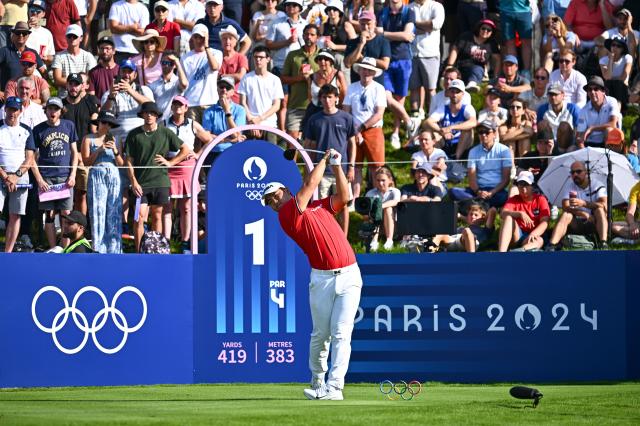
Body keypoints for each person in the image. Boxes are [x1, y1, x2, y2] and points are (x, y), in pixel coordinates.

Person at [260, 148, 362, 401]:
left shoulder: (319, 206)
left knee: (341, 333)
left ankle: (335, 387)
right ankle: (318, 381)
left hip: (350, 275)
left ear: (284, 190)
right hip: (322, 279)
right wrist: (325, 159)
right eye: (269, 201)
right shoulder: (287, 215)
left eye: (274, 196)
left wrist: (337, 166)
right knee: (321, 335)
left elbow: (345, 196)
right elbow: (310, 182)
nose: (273, 202)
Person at [124, 101, 190, 252]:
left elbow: (185, 149)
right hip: (140, 183)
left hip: (160, 181)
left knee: (157, 215)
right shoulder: (134, 134)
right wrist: (133, 182)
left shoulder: (165, 132)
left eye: (152, 113)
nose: (149, 116)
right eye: (146, 113)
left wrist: (171, 163)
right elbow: (128, 161)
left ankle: (156, 251)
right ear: (142, 115)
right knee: (138, 217)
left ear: (157, 116)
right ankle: (140, 252)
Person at [303, 84, 355, 235]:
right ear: (320, 99)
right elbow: (309, 146)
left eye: (330, 97)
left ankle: (343, 237)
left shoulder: (346, 118)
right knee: (321, 207)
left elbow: (352, 143)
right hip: (322, 172)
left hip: (342, 171)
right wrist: (308, 170)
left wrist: (351, 167)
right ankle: (324, 235)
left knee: (343, 204)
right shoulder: (314, 119)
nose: (327, 100)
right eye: (324, 97)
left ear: (337, 99)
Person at [163, 95, 212, 252]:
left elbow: (209, 140)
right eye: (175, 104)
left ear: (186, 108)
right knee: (167, 207)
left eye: (181, 104)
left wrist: (198, 154)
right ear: (171, 107)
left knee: (186, 207)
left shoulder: (192, 124)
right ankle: (166, 244)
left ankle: (185, 243)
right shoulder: (163, 124)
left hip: (187, 167)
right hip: (168, 166)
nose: (178, 107)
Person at [31, 96, 78, 249]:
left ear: (61, 111)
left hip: (65, 177)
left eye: (56, 109)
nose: (53, 111)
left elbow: (75, 153)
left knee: (66, 214)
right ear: (46, 110)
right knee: (49, 215)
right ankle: (53, 248)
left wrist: (73, 175)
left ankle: (65, 249)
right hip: (47, 178)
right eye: (50, 108)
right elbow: (32, 158)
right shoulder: (38, 129)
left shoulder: (69, 126)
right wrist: (39, 180)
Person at [342, 57, 386, 199]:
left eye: (369, 70)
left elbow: (379, 113)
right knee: (356, 166)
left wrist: (360, 128)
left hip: (373, 130)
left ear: (374, 73)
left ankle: (377, 196)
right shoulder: (352, 87)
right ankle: (355, 198)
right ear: (359, 70)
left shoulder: (379, 88)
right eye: (364, 69)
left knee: (376, 166)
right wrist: (354, 130)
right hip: (354, 130)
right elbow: (346, 111)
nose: (366, 72)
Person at [81, 110, 123, 253]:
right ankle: (98, 248)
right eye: (104, 122)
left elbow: (121, 164)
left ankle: (114, 249)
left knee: (114, 211)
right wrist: (99, 150)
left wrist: (116, 151)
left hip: (113, 176)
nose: (106, 126)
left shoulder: (116, 139)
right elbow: (86, 162)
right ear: (98, 123)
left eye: (109, 124)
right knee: (97, 211)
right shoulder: (88, 138)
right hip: (97, 174)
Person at [545, 160, 609, 251]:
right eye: (572, 172)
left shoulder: (597, 185)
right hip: (577, 223)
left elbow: (603, 204)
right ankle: (552, 244)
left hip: (594, 222)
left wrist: (584, 203)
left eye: (578, 171)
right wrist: (583, 213)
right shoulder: (570, 186)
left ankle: (603, 242)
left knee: (599, 210)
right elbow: (565, 206)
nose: (575, 175)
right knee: (566, 214)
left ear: (586, 172)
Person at [0, 96, 35, 253]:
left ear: (20, 111)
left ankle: (8, 252)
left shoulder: (27, 130)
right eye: (10, 109)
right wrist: (5, 176)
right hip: (2, 177)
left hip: (20, 178)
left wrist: (15, 176)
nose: (12, 112)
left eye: (15, 110)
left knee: (15, 215)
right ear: (5, 109)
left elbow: (29, 158)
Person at [450, 120, 512, 208]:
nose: (483, 135)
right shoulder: (473, 151)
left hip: (497, 190)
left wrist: (492, 192)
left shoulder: (504, 150)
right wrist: (478, 191)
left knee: (504, 197)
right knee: (453, 191)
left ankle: (476, 204)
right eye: (480, 132)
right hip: (478, 190)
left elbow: (506, 180)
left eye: (487, 132)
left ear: (494, 133)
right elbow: (471, 178)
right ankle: (483, 205)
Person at [62, 72, 99, 215]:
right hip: (64, 156)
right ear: (66, 85)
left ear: (82, 86)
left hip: (84, 155)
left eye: (76, 84)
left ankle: (80, 229)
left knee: (81, 194)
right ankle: (65, 230)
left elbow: (94, 131)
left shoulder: (90, 105)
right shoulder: (61, 106)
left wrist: (85, 153)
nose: (73, 87)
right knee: (65, 194)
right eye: (70, 84)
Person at [281, 23, 319, 141]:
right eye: (306, 34)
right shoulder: (293, 55)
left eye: (312, 34)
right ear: (302, 36)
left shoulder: (323, 56)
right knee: (292, 142)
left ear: (317, 37)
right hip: (296, 104)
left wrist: (311, 78)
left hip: (316, 105)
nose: (309, 37)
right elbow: (283, 78)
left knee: (314, 142)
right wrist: (300, 78)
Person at [237, 45, 284, 142]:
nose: (258, 60)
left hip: (269, 125)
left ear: (268, 59)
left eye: (261, 57)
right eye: (255, 57)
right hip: (250, 126)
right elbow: (242, 102)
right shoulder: (246, 78)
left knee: (270, 156)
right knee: (249, 156)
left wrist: (259, 119)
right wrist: (252, 121)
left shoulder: (275, 80)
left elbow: (276, 105)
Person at [424, 79, 477, 160]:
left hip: (462, 142)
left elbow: (473, 122)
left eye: (457, 92)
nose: (454, 94)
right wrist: (441, 131)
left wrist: (451, 127)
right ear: (448, 93)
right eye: (452, 91)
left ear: (463, 94)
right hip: (445, 141)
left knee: (468, 130)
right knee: (431, 131)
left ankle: (456, 158)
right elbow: (428, 122)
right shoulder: (443, 108)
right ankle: (439, 158)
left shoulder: (467, 108)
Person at [498, 170, 551, 252]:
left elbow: (544, 222)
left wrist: (533, 234)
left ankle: (519, 251)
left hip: (533, 236)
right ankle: (501, 253)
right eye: (520, 184)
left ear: (532, 186)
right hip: (517, 235)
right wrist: (519, 213)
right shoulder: (514, 199)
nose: (523, 188)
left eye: (526, 184)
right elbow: (503, 213)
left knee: (539, 240)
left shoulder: (540, 199)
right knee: (508, 218)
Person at [408, 0, 445, 118]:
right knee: (414, 88)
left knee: (430, 89)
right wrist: (425, 26)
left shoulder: (436, 6)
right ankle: (415, 119)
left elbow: (435, 25)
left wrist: (415, 24)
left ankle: (432, 117)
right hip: (412, 53)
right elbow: (406, 28)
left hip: (430, 53)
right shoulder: (409, 8)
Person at [180, 23, 221, 123]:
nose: (198, 40)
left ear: (206, 37)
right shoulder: (185, 57)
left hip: (210, 101)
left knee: (210, 135)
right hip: (191, 103)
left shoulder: (216, 53)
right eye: (196, 37)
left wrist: (207, 47)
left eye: (201, 37)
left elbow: (214, 67)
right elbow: (182, 82)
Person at [446, 19, 500, 92]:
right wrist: (449, 65)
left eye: (489, 30)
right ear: (479, 28)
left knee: (477, 69)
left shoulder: (492, 44)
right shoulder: (466, 37)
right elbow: (455, 49)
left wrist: (495, 76)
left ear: (492, 33)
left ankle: (472, 85)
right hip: (460, 66)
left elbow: (497, 59)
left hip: (477, 69)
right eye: (483, 28)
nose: (485, 31)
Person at [201, 76, 245, 156]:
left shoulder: (240, 110)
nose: (224, 90)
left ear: (232, 91)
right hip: (213, 152)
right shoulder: (208, 111)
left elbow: (236, 135)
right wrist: (229, 140)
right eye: (221, 86)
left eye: (227, 88)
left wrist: (227, 111)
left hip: (234, 152)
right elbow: (207, 137)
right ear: (217, 89)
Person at [51, 24, 97, 98]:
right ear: (66, 38)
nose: (72, 38)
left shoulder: (88, 56)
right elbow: (57, 80)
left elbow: (91, 79)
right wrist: (79, 82)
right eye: (69, 36)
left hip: (83, 97)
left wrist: (70, 82)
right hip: (64, 97)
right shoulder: (59, 56)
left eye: (75, 36)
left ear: (81, 38)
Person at [432, 200, 496, 253]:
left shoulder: (484, 229)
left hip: (471, 242)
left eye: (476, 215)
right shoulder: (461, 228)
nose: (473, 216)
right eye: (471, 214)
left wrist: (482, 220)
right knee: (439, 235)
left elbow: (493, 210)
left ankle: (471, 259)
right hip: (454, 240)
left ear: (482, 218)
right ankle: (429, 256)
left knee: (467, 231)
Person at [0, 21, 46, 92]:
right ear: (13, 35)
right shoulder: (4, 51)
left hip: (27, 95)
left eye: (24, 33)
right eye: (18, 33)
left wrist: (41, 88)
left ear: (28, 36)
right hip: (7, 96)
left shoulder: (33, 52)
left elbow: (44, 72)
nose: (21, 35)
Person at [576, 75, 619, 148]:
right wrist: (584, 153)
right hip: (590, 145)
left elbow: (613, 124)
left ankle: (609, 158)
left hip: (610, 144)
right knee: (571, 150)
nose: (592, 92)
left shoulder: (612, 101)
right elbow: (580, 136)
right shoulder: (583, 110)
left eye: (596, 89)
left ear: (603, 91)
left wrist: (592, 128)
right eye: (589, 89)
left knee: (609, 131)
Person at [364, 167, 401, 251]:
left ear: (390, 180)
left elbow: (395, 202)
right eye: (378, 180)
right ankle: (374, 241)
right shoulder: (370, 193)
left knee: (388, 209)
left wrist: (379, 206)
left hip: (393, 225)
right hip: (375, 224)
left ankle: (389, 240)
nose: (380, 183)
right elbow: (365, 215)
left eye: (383, 180)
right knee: (374, 211)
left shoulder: (395, 191)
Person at [537, 82, 580, 152]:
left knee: (564, 125)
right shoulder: (542, 109)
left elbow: (577, 130)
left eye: (556, 94)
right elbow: (539, 130)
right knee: (542, 124)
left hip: (568, 144)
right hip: (548, 143)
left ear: (563, 95)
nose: (553, 97)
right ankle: (545, 153)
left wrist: (575, 145)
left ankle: (560, 152)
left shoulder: (573, 108)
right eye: (550, 94)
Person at [149, 53, 188, 122]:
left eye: (170, 63)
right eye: (164, 62)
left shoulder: (178, 82)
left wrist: (177, 63)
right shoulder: (152, 85)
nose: (166, 65)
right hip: (158, 124)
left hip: (174, 123)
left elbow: (184, 84)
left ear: (175, 65)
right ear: (160, 63)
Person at [499, 98, 534, 171]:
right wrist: (522, 130)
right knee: (511, 142)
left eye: (518, 107)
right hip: (508, 156)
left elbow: (530, 133)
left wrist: (511, 135)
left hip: (523, 151)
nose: (515, 109)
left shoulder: (527, 123)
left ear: (523, 111)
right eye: (512, 107)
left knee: (525, 140)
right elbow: (503, 138)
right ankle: (512, 168)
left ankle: (524, 166)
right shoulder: (504, 125)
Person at [599, 37, 633, 109]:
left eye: (618, 46)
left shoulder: (627, 58)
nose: (615, 47)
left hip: (623, 89)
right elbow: (607, 77)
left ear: (622, 49)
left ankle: (616, 112)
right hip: (609, 87)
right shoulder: (603, 60)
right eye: (613, 45)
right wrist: (611, 60)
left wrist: (613, 80)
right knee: (608, 84)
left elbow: (624, 77)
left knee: (618, 84)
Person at [218, 25, 248, 104]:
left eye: (230, 39)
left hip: (236, 100)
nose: (227, 41)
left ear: (235, 42)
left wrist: (222, 76)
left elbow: (240, 76)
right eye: (224, 38)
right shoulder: (217, 57)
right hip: (218, 100)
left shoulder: (241, 58)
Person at [88, 35, 119, 101]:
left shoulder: (120, 71)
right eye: (102, 48)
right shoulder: (93, 72)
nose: (104, 51)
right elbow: (91, 97)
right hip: (100, 109)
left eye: (107, 48)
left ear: (114, 51)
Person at [25, 0, 55, 66]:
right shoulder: (21, 28)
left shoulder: (47, 33)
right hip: (24, 67)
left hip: (41, 69)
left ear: (43, 14)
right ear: (28, 12)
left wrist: (47, 58)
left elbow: (51, 57)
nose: (35, 13)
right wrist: (27, 28)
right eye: (32, 10)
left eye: (38, 11)